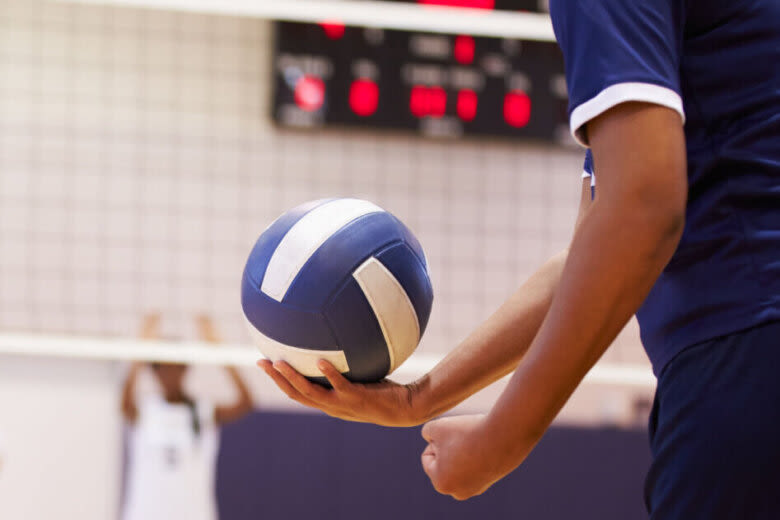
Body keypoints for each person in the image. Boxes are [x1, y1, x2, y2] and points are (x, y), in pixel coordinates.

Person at [259, 0, 780, 516]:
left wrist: (500, 441)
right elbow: (593, 251)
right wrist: (418, 399)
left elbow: (642, 210)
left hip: (747, 350)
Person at [121, 314, 253, 520]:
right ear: (154, 372)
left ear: (185, 368)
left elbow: (246, 403)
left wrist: (219, 351)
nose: (168, 374)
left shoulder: (204, 411)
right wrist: (141, 348)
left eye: (173, 366)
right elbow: (123, 402)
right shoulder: (144, 411)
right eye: (161, 367)